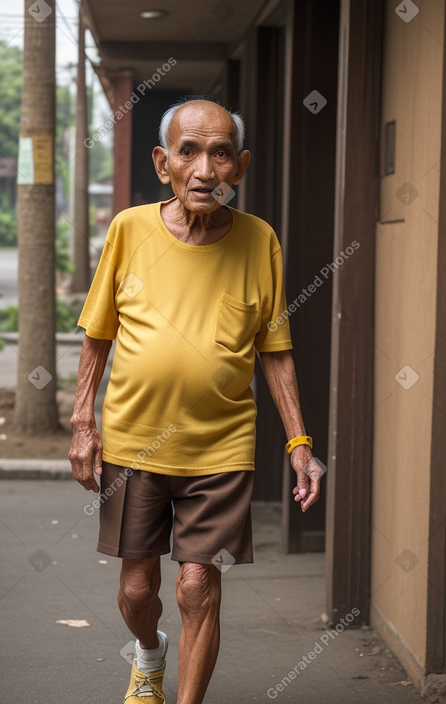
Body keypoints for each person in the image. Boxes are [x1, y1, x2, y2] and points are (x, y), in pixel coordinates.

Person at [68, 98, 322, 704]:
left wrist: (300, 443)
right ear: (163, 163)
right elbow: (98, 333)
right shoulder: (129, 229)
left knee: (196, 587)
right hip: (134, 442)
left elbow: (275, 350)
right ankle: (150, 655)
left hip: (222, 448)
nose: (205, 169)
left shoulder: (260, 241)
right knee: (136, 591)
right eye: (189, 152)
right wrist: (83, 422)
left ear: (240, 167)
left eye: (220, 153)